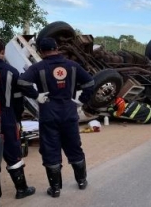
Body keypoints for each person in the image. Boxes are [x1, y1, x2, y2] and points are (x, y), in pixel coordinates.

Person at [17, 37, 94, 198]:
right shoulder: (72, 66)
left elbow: (22, 82)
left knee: (50, 149)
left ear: (41, 51)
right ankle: (81, 181)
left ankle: (55, 188)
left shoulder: (38, 67)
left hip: (48, 114)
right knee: (74, 147)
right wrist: (80, 101)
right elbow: (90, 83)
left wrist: (36, 95)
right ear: (57, 48)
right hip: (69, 113)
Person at [0, 39, 36, 207]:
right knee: (13, 154)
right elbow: (18, 99)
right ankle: (21, 189)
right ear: (3, 51)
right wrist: (17, 118)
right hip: (7, 117)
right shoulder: (12, 71)